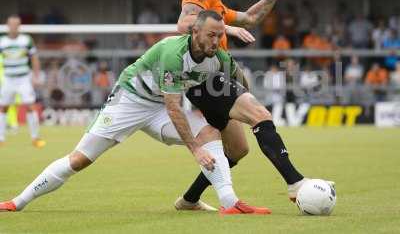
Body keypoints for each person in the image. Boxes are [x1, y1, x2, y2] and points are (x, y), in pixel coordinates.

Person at [0, 11, 270, 215]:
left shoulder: (219, 58)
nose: (216, 40)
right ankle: (18, 201)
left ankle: (229, 203)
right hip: (128, 101)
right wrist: (195, 150)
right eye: (211, 34)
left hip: (158, 108)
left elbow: (238, 81)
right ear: (195, 32)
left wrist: (244, 104)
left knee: (209, 132)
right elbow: (174, 105)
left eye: (220, 35)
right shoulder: (172, 52)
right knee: (79, 160)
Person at [175, 0, 285, 211]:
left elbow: (250, 17)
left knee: (238, 149)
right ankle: (294, 181)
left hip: (220, 73)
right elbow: (184, 23)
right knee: (259, 115)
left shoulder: (217, 7)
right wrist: (225, 28)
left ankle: (189, 200)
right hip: (208, 77)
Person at [0, 15, 45, 148]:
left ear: (19, 26)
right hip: (8, 78)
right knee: (3, 107)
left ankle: (35, 138)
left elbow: (34, 57)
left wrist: (36, 75)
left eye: (16, 25)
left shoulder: (26, 40)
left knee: (30, 105)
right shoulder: (2, 42)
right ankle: (1, 138)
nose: (14, 27)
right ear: (8, 26)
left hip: (23, 78)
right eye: (12, 24)